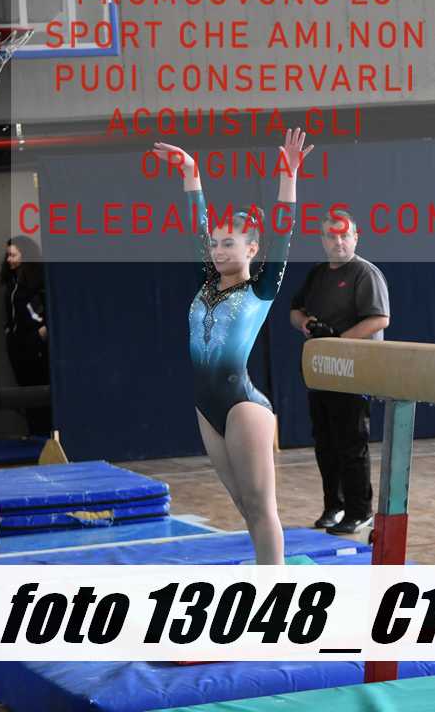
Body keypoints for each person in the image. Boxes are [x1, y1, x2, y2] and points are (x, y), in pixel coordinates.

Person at [154, 129, 314, 565]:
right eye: (215, 243)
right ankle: (268, 572)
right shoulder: (206, 281)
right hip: (206, 407)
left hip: (243, 407)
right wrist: (191, 172)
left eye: (229, 243)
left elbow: (284, 229)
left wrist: (288, 175)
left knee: (261, 508)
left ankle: (274, 588)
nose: (218, 250)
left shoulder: (262, 288)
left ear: (253, 249)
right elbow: (196, 224)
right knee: (245, 507)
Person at [290, 211, 390, 535]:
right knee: (326, 443)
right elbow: (295, 311)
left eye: (344, 235)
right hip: (322, 371)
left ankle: (360, 511)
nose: (338, 242)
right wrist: (305, 323)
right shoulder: (318, 274)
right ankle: (334, 505)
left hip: (353, 371)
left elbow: (379, 319)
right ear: (322, 240)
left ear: (356, 237)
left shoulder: (365, 273)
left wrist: (339, 342)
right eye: (331, 236)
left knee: (351, 443)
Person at [1, 235, 51, 435]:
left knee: (40, 390)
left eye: (13, 255)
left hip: (35, 345)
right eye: (8, 255)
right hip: (18, 346)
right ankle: (35, 433)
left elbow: (46, 309)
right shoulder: (13, 282)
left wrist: (42, 332)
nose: (9, 260)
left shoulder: (39, 280)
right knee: (26, 392)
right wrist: (9, 333)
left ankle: (46, 435)